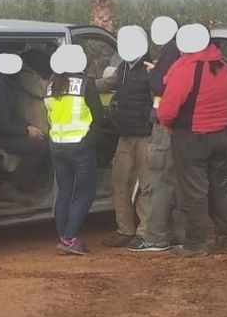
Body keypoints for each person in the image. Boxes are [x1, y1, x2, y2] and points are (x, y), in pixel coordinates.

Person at [156, 27, 227, 257]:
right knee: (219, 187)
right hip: (223, 134)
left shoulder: (186, 70)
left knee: (194, 192)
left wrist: (165, 121)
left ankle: (195, 243)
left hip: (193, 136)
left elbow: (168, 109)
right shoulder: (225, 66)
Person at [46, 49, 108, 255]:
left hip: (57, 145)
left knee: (64, 193)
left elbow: (50, 115)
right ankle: (69, 238)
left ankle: (63, 236)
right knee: (86, 193)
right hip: (80, 146)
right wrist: (91, 140)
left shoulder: (51, 85)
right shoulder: (85, 84)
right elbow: (98, 116)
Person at [129, 37, 185, 253]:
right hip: (188, 129)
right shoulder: (196, 58)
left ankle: (155, 237)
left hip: (167, 125)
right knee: (182, 180)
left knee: (160, 180)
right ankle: (180, 235)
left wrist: (154, 73)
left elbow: (160, 86)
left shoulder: (172, 51)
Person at [98, 53, 153, 248]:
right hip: (125, 135)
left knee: (147, 185)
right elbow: (104, 84)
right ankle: (125, 229)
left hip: (146, 136)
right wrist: (79, 83)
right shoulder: (122, 68)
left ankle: (144, 232)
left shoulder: (150, 69)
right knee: (119, 183)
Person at [0, 49, 52, 189]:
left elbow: (13, 115)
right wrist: (25, 131)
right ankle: (14, 185)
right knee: (40, 146)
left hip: (6, 131)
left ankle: (35, 183)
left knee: (42, 139)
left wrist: (28, 126)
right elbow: (2, 123)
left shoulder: (6, 82)